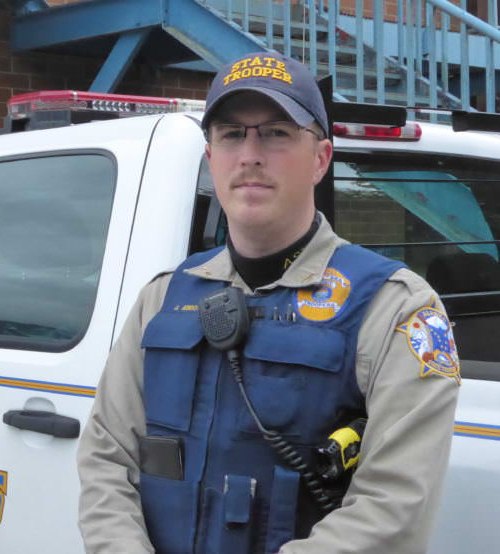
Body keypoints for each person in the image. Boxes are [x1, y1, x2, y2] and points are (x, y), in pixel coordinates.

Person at [77, 52, 460, 554]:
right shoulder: (163, 298)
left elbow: (394, 506)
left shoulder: (396, 308)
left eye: (277, 132)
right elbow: (108, 457)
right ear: (211, 157)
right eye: (232, 134)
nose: (250, 154)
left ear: (321, 158)